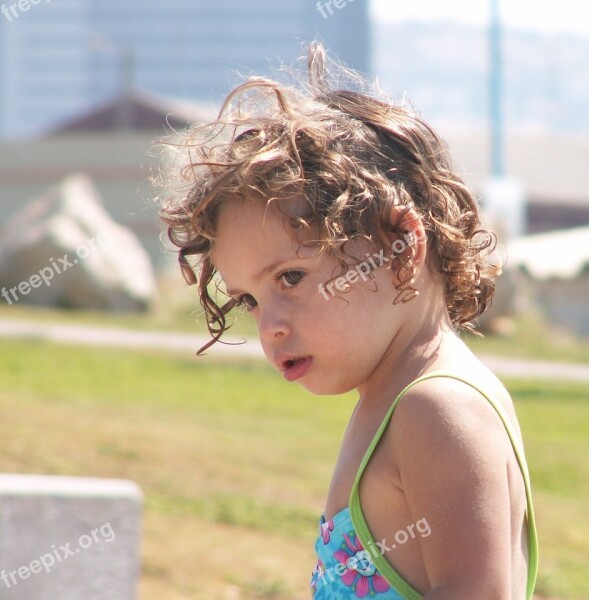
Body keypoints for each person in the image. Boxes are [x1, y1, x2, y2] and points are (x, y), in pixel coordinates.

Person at [157, 43, 538, 599]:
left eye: (289, 278)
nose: (270, 328)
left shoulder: (437, 410)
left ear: (402, 244)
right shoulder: (394, 400)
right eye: (249, 301)